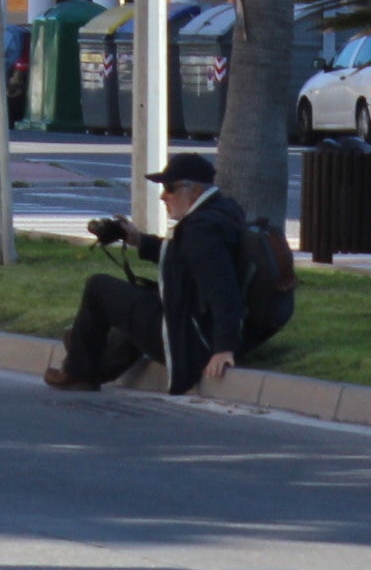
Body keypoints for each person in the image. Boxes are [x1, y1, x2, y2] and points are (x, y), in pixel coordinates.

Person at [49, 151, 251, 395]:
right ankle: (89, 360)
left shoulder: (202, 231)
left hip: (188, 337)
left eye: (170, 188)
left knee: (98, 287)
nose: (163, 196)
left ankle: (78, 371)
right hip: (190, 320)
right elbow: (181, 254)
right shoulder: (221, 211)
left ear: (195, 190)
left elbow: (222, 288)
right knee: (140, 303)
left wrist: (223, 348)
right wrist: (136, 239)